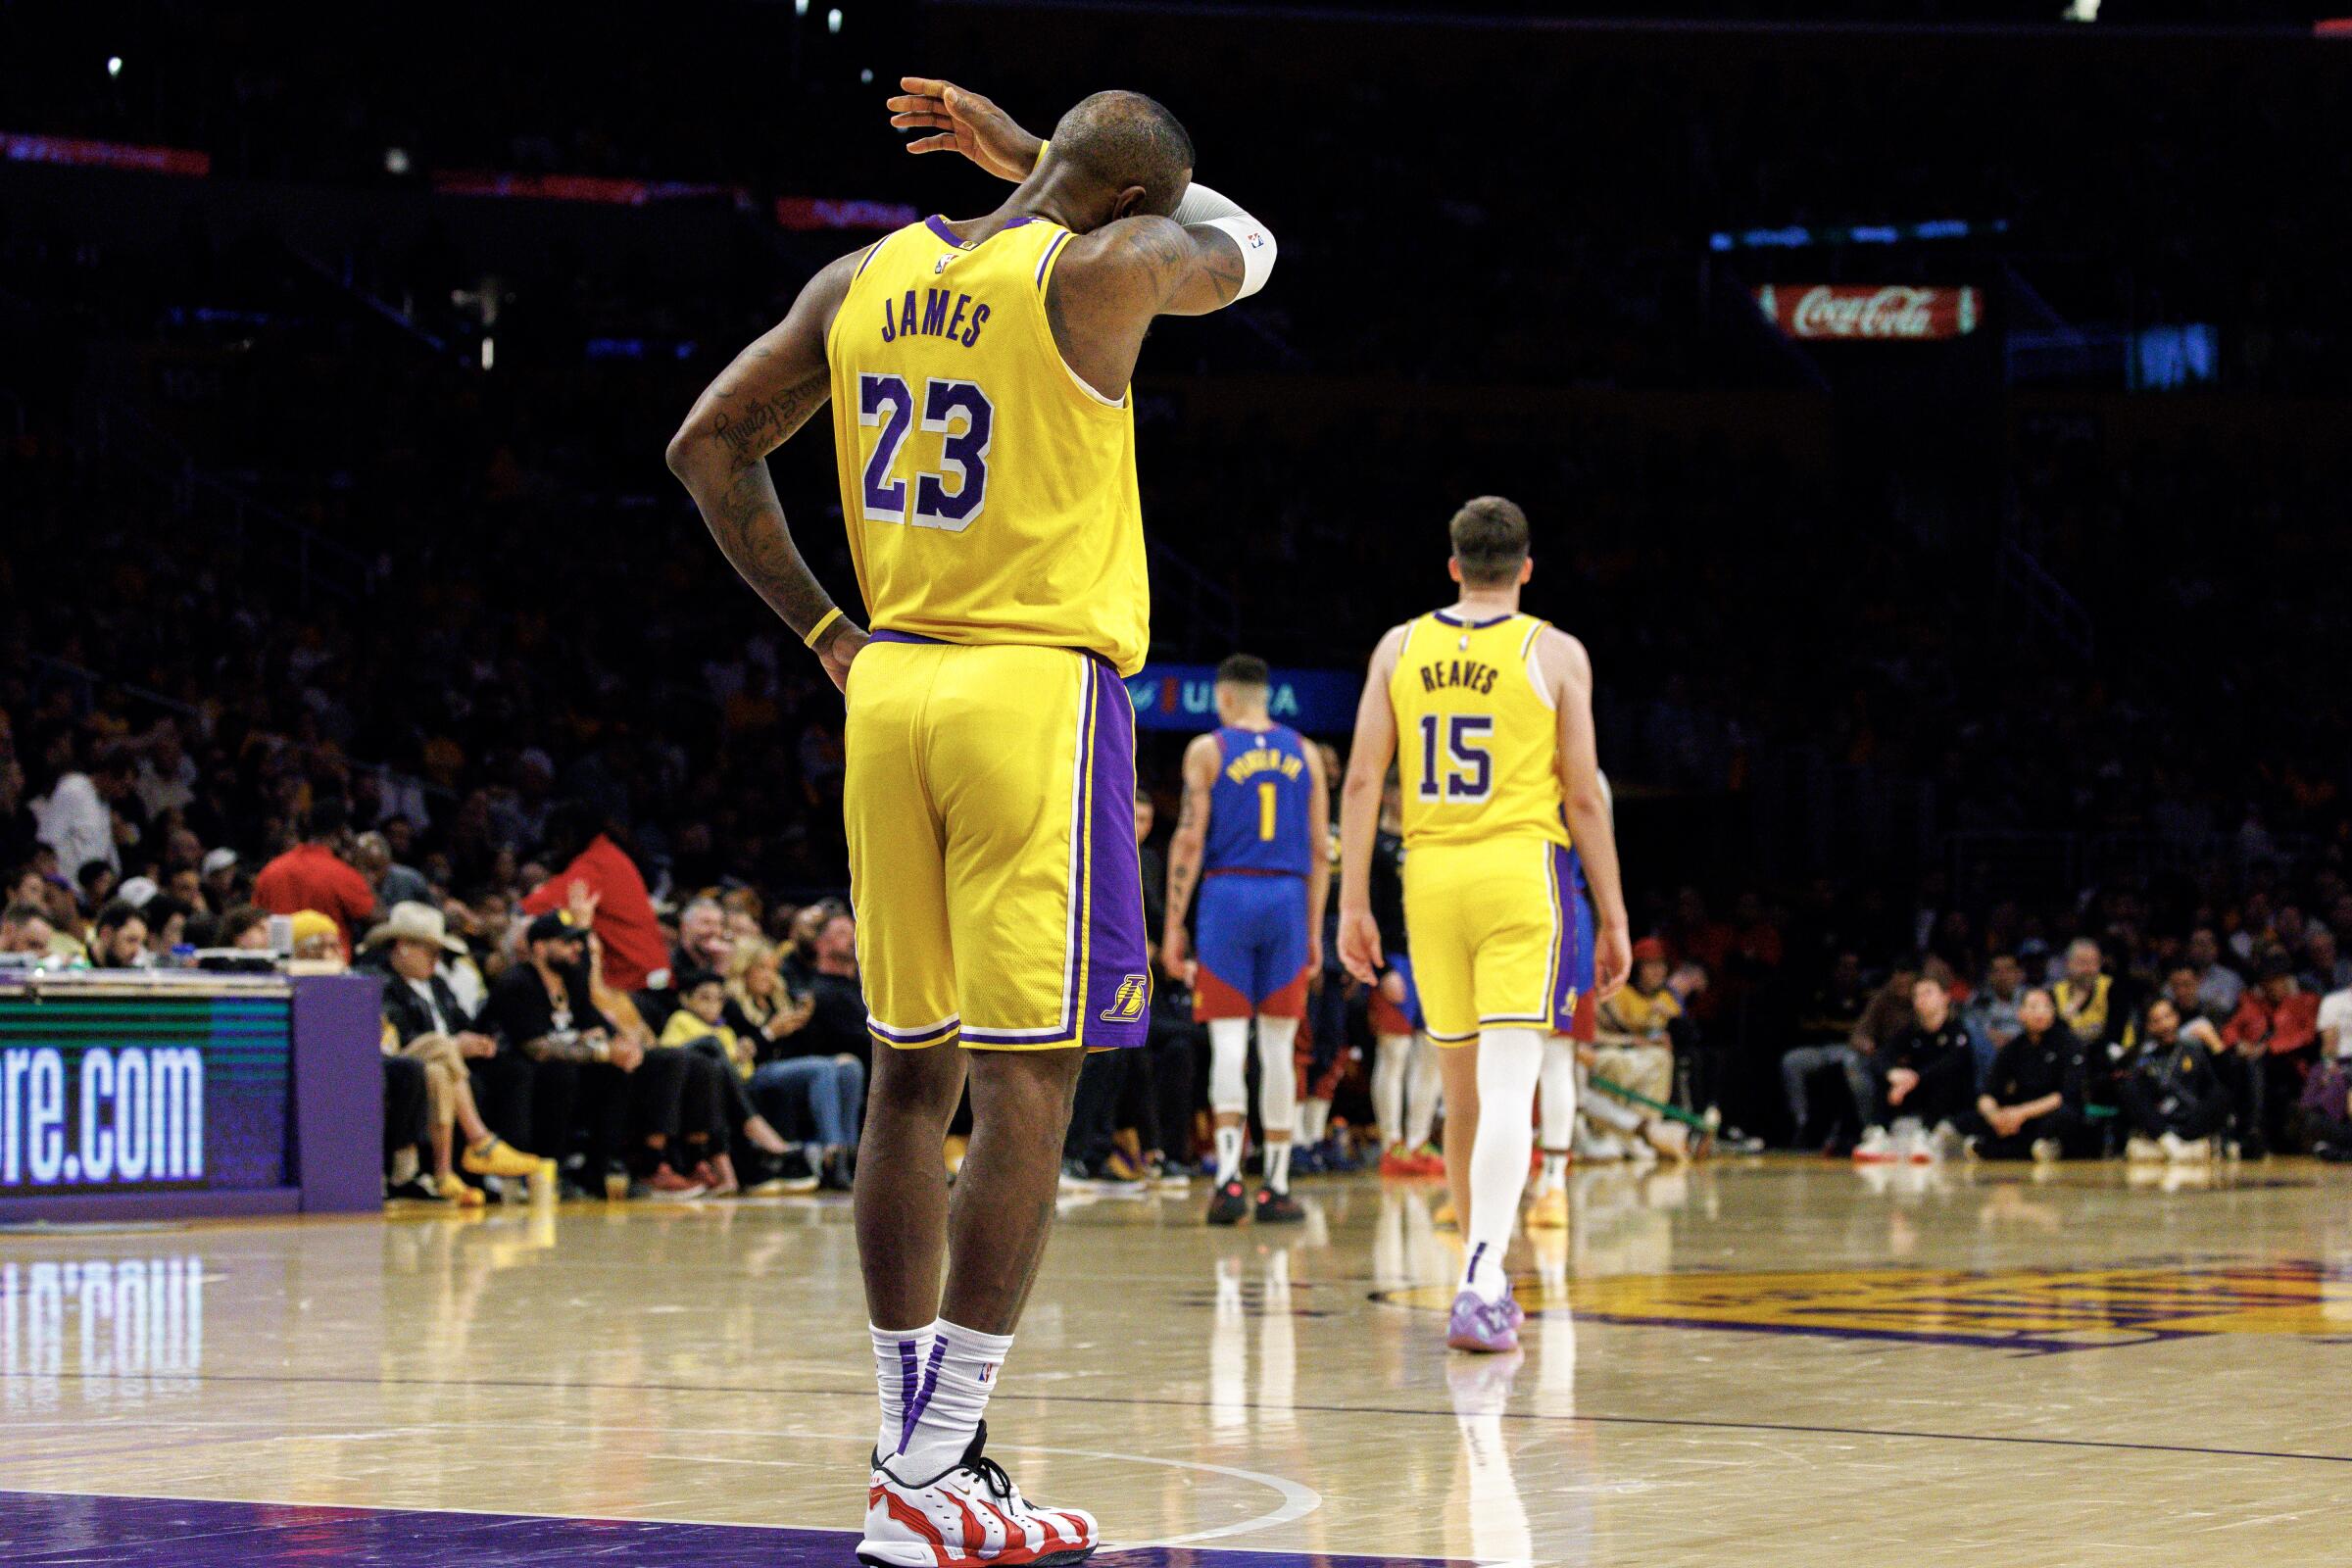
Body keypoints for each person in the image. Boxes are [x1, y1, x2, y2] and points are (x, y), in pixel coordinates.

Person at [665, 73, 1274, 1557]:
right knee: (1030, 1089)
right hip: (1030, 696)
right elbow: (1248, 241)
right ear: (1127, 197)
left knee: (904, 1078)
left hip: (892, 691)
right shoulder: (1106, 269)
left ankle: (912, 1449)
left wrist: (823, 635)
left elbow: (706, 444)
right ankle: (932, 1473)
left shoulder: (860, 274)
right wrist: (1057, 172)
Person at [1337, 495, 1631, 1355]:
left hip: (1429, 874)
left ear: (1454, 565)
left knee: (1459, 1092)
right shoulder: (1557, 652)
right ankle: (1485, 1271)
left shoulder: (1398, 646)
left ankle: (1477, 1267)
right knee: (1510, 1086)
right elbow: (1583, 796)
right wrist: (1611, 913)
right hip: (1519, 873)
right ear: (1527, 569)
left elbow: (1361, 784)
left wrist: (1355, 901)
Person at [1162, 653, 1328, 1225]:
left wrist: (1172, 926)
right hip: (1286, 895)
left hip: (1227, 897)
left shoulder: (1208, 751)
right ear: (1266, 694)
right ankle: (1277, 1185)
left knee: (1230, 1042)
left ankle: (1230, 1181)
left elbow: (1188, 839)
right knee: (1280, 1046)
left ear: (1224, 698)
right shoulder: (1305, 752)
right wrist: (1314, 930)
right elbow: (1318, 851)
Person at [365, 902, 547, 1201]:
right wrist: (454, 1043)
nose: (437, 959)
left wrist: (478, 1041)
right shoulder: (379, 982)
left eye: (440, 952)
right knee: (441, 1044)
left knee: (439, 1070)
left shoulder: (437, 985)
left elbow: (464, 1022)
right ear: (402, 946)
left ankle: (442, 1174)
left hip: (438, 1065)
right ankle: (481, 1141)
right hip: (397, 1057)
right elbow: (395, 1035)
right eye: (430, 950)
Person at [1367, 775, 1443, 1179]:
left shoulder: (1431, 837)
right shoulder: (1375, 844)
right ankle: (1390, 1142)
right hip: (1394, 957)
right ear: (1389, 795)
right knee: (1393, 1052)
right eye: (1399, 791)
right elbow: (1370, 909)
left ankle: (1417, 1140)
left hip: (1431, 958)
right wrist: (1381, 969)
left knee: (1432, 1051)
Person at [1859, 974, 1979, 1163]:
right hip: (1917, 1096)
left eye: (1928, 993)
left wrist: (1914, 1079)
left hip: (1954, 1105)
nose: (1921, 999)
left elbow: (1950, 1064)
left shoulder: (1958, 1031)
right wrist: (1894, 1074)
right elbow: (1881, 1056)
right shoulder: (1912, 1032)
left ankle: (1928, 1135)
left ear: (1945, 997)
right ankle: (1878, 1132)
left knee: (1944, 1078)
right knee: (1887, 1075)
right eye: (1917, 995)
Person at [1971, 988, 2092, 1161]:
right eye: (2034, 1007)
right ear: (2021, 1014)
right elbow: (1988, 1092)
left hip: (2049, 1110)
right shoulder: (2012, 1048)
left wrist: (2021, 1113)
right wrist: (1995, 1116)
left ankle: (2031, 1147)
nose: (2041, 1012)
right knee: (1972, 1117)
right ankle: (2024, 1147)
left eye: (2046, 1007)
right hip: (2020, 1113)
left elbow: (2066, 1094)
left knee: (2065, 1117)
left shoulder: (2069, 1043)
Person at [251, 799, 376, 954]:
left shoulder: (271, 870)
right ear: (342, 831)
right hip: (328, 970)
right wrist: (360, 865)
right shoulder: (342, 874)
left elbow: (255, 920)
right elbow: (374, 917)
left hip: (277, 968)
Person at [2119, 996, 2230, 1162]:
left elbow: (2219, 1083)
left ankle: (2179, 1146)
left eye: (2168, 1016)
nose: (2165, 1025)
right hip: (2160, 1125)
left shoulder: (2195, 1050)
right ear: (2149, 1026)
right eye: (2157, 1020)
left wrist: (2214, 1042)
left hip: (2191, 1122)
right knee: (2128, 1087)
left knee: (2222, 1092)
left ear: (2177, 1017)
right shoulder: (2143, 1055)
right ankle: (2173, 1146)